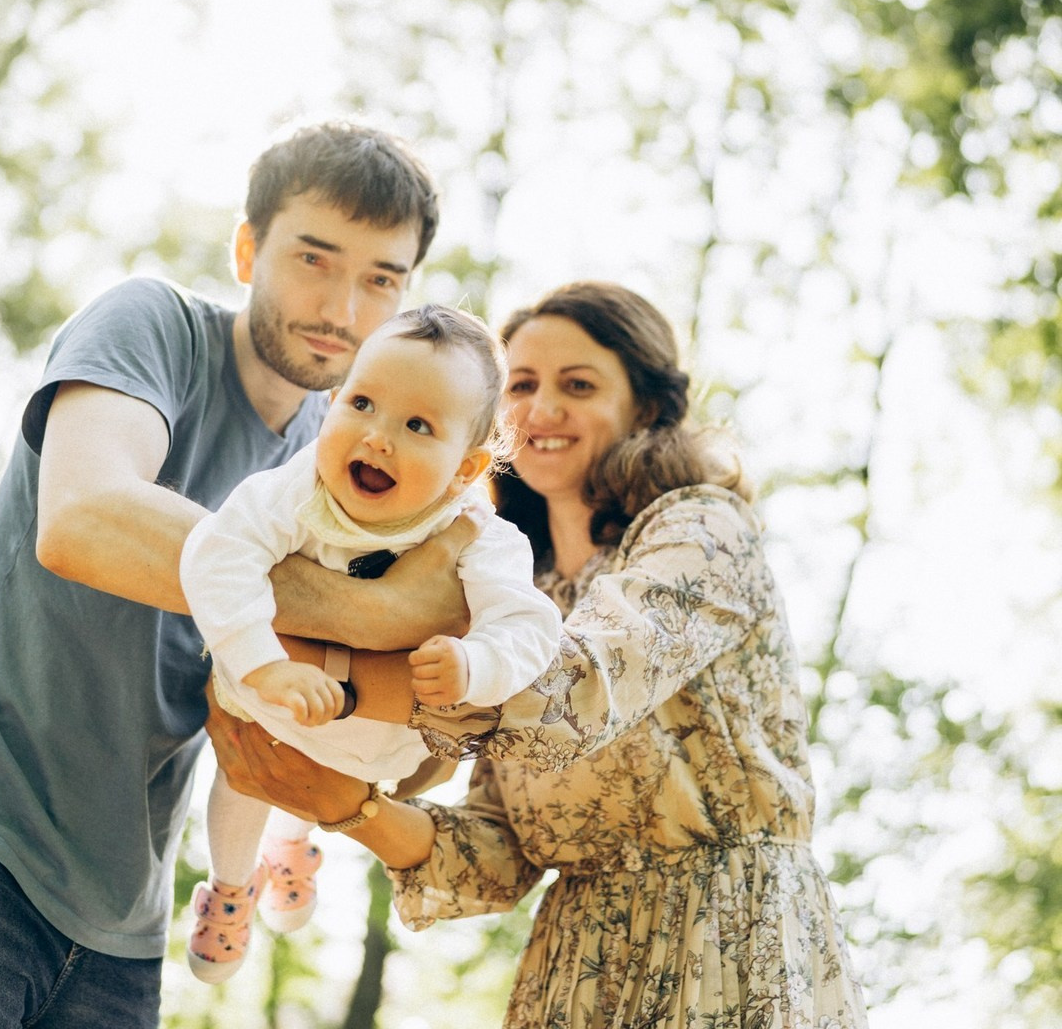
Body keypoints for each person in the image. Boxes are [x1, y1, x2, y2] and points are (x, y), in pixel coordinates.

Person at [0, 120, 454, 1029]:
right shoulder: (153, 327)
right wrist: (364, 608)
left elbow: (399, 692)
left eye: (380, 279)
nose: (343, 309)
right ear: (248, 249)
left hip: (124, 926)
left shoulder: (347, 458)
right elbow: (83, 518)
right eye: (314, 259)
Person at [206, 280, 871, 1028]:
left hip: (728, 944)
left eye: (577, 385)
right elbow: (497, 852)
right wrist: (349, 807)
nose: (541, 410)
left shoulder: (701, 529)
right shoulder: (515, 594)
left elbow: (578, 691)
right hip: (575, 973)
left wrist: (329, 674)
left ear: (645, 407)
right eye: (520, 386)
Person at [179, 304, 562, 983]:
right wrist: (262, 664)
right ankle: (231, 889)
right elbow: (218, 553)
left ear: (466, 467)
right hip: (267, 696)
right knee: (245, 775)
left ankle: (292, 845)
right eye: (361, 403)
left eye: (418, 425)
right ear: (330, 405)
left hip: (371, 736)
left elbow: (531, 627)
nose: (378, 436)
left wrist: (476, 663)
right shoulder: (297, 490)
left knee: (312, 788)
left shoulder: (480, 533)